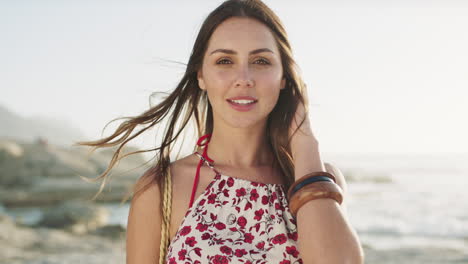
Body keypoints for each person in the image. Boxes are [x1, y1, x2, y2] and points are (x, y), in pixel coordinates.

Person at [78, 0, 364, 263]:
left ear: (284, 79)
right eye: (224, 61)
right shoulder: (161, 187)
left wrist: (305, 144)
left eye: (261, 61)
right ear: (201, 75)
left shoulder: (316, 179)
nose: (244, 79)